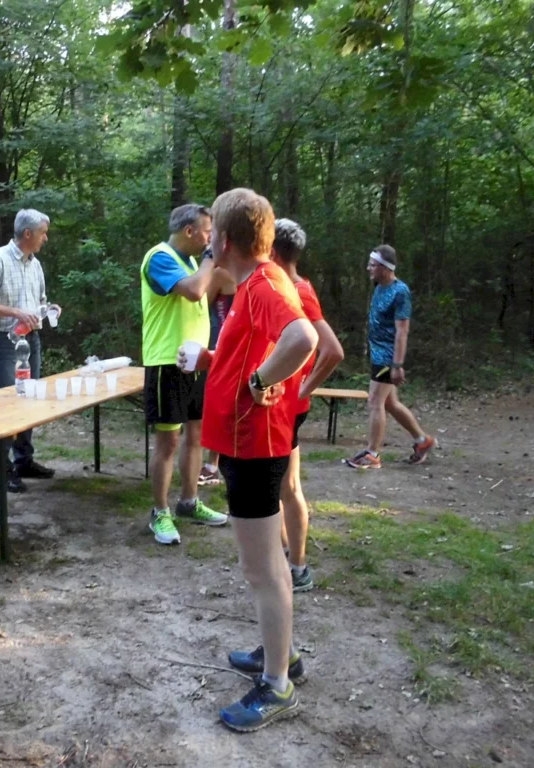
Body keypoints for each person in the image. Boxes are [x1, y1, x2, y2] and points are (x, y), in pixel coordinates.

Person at [186, 188, 317, 732]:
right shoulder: (251, 285)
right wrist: (216, 360)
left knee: (262, 569)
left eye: (212, 231)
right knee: (265, 569)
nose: (208, 239)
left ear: (226, 239)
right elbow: (250, 355)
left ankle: (278, 685)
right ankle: (277, 656)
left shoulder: (262, 284)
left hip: (254, 445)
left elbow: (303, 337)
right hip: (247, 442)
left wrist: (262, 381)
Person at [141, 204, 229, 545]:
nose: (210, 238)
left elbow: (218, 287)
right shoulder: (159, 257)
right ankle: (159, 512)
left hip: (197, 362)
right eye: (207, 231)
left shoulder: (193, 263)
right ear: (190, 231)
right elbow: (193, 291)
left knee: (197, 435)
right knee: (169, 441)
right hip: (167, 361)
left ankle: (189, 502)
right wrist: (210, 258)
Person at [269, 219, 344, 592]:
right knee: (281, 486)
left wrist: (303, 389)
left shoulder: (298, 291)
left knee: (288, 486)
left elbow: (332, 350)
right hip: (278, 405)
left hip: (287, 407)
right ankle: (286, 557)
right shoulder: (284, 287)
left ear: (272, 250)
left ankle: (297, 567)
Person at [0, 209, 61, 493]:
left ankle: (24, 459)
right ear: (28, 234)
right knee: (8, 402)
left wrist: (49, 309)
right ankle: (4, 467)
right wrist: (16, 313)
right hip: (3, 340)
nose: (46, 238)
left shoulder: (35, 264)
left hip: (31, 339)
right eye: (43, 233)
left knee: (29, 399)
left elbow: (39, 301)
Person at [346, 245, 436, 469]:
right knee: (391, 403)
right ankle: (422, 441)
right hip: (377, 354)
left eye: (373, 265)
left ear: (386, 268)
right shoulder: (379, 287)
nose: (368, 268)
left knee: (375, 401)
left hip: (387, 357)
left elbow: (402, 331)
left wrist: (397, 364)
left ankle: (373, 454)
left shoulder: (400, 292)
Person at [198, 258, 236, 487]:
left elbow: (201, 302)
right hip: (222, 342)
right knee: (221, 404)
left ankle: (214, 465)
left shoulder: (222, 272)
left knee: (220, 405)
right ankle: (215, 464)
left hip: (225, 344)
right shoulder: (227, 272)